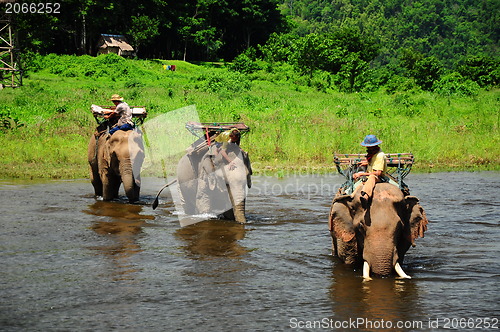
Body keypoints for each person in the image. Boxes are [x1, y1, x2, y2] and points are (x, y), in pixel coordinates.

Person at [352, 134, 387, 207]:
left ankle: (366, 195)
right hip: (369, 175)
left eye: (369, 147)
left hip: (377, 177)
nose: (367, 148)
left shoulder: (380, 155)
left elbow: (378, 173)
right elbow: (373, 163)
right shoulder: (372, 154)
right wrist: (366, 163)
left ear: (373, 146)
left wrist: (362, 174)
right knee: (358, 185)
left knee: (371, 178)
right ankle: (351, 197)